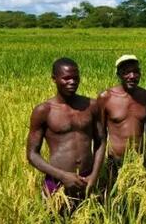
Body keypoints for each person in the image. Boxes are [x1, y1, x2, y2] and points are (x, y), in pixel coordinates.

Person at [26, 58, 105, 210]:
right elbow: (32, 154)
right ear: (54, 79)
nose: (72, 82)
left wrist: (94, 176)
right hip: (57, 181)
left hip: (86, 178)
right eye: (66, 78)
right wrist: (62, 176)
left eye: (76, 77)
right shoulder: (44, 111)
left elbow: (101, 141)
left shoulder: (92, 106)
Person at [97, 55, 146, 184]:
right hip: (115, 162)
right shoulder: (106, 97)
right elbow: (100, 134)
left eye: (135, 72)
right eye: (126, 72)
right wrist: (98, 165)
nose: (132, 76)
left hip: (140, 162)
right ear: (118, 74)